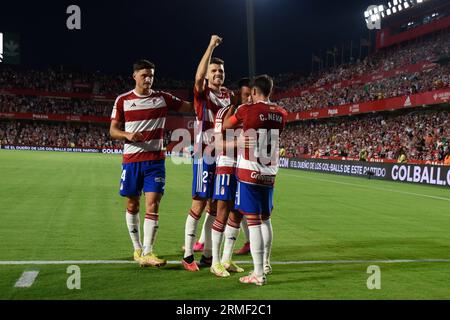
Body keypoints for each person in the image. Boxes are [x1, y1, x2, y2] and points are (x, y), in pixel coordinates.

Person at [110, 59, 192, 267]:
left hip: (155, 161)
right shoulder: (123, 100)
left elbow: (189, 107)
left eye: (151, 75)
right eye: (144, 75)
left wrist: (206, 96)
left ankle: (148, 251)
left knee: (153, 204)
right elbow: (113, 130)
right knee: (132, 203)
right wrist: (128, 134)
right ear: (135, 76)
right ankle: (137, 248)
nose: (148, 79)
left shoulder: (162, 98)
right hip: (132, 160)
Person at [223, 74, 288, 286]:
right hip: (269, 174)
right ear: (270, 91)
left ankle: (258, 274)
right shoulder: (281, 113)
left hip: (249, 172)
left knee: (253, 222)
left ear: (253, 92)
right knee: (266, 219)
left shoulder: (246, 109)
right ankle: (266, 263)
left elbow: (225, 125)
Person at [182, 35, 232, 271]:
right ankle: (188, 255)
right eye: (214, 70)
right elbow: (199, 76)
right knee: (199, 203)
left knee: (215, 205)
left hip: (222, 155)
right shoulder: (202, 92)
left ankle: (209, 256)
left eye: (220, 71)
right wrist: (211, 46)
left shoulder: (228, 96)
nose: (218, 74)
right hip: (205, 154)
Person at [210, 78, 252, 277]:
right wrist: (240, 143)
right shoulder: (223, 113)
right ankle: (215, 262)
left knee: (237, 213)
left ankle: (226, 259)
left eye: (252, 94)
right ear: (237, 95)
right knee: (223, 212)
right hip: (226, 166)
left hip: (244, 168)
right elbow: (217, 145)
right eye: (246, 95)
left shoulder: (252, 115)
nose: (249, 98)